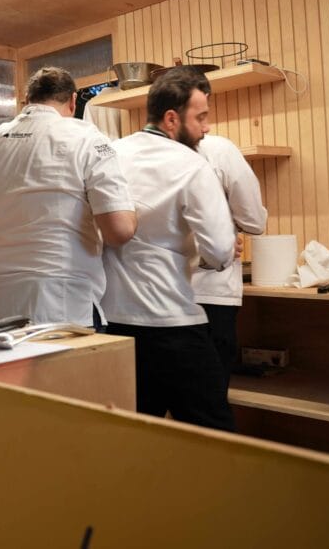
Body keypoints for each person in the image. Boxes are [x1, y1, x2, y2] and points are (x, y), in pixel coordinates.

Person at [100, 67, 237, 431]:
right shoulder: (193, 165)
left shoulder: (109, 154)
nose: (207, 127)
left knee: (136, 435)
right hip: (172, 322)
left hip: (113, 324)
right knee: (215, 434)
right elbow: (222, 249)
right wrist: (208, 257)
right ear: (172, 118)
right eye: (201, 117)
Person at [0, 66, 136, 324]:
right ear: (73, 101)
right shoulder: (87, 137)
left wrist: (13, 223)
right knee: (66, 363)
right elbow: (119, 230)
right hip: (61, 291)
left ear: (27, 100)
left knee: (8, 363)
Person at [192, 132, 267, 385]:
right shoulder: (218, 149)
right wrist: (222, 235)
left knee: (148, 407)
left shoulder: (131, 150)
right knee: (208, 404)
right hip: (211, 293)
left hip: (148, 299)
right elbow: (254, 221)